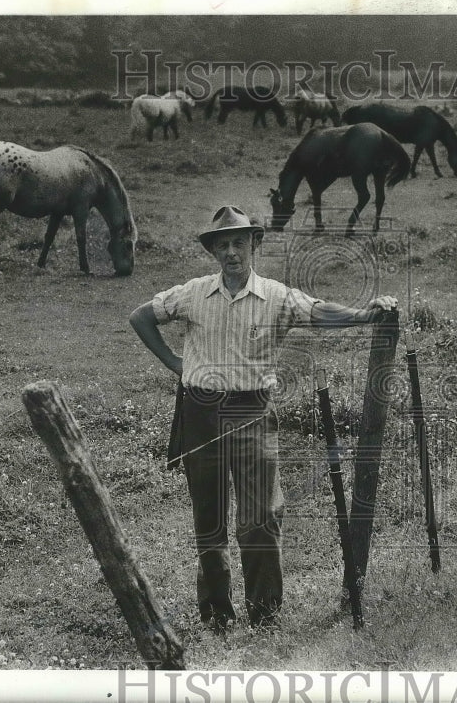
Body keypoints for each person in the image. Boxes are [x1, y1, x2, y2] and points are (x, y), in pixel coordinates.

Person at [129, 205, 397, 631]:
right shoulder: (194, 293)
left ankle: (265, 613)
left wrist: (366, 314)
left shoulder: (275, 296)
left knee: (260, 516)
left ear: (255, 244)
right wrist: (175, 363)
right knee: (209, 517)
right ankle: (216, 612)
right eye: (223, 245)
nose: (231, 252)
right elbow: (141, 315)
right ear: (213, 251)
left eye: (239, 242)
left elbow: (320, 311)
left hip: (252, 412)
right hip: (200, 413)